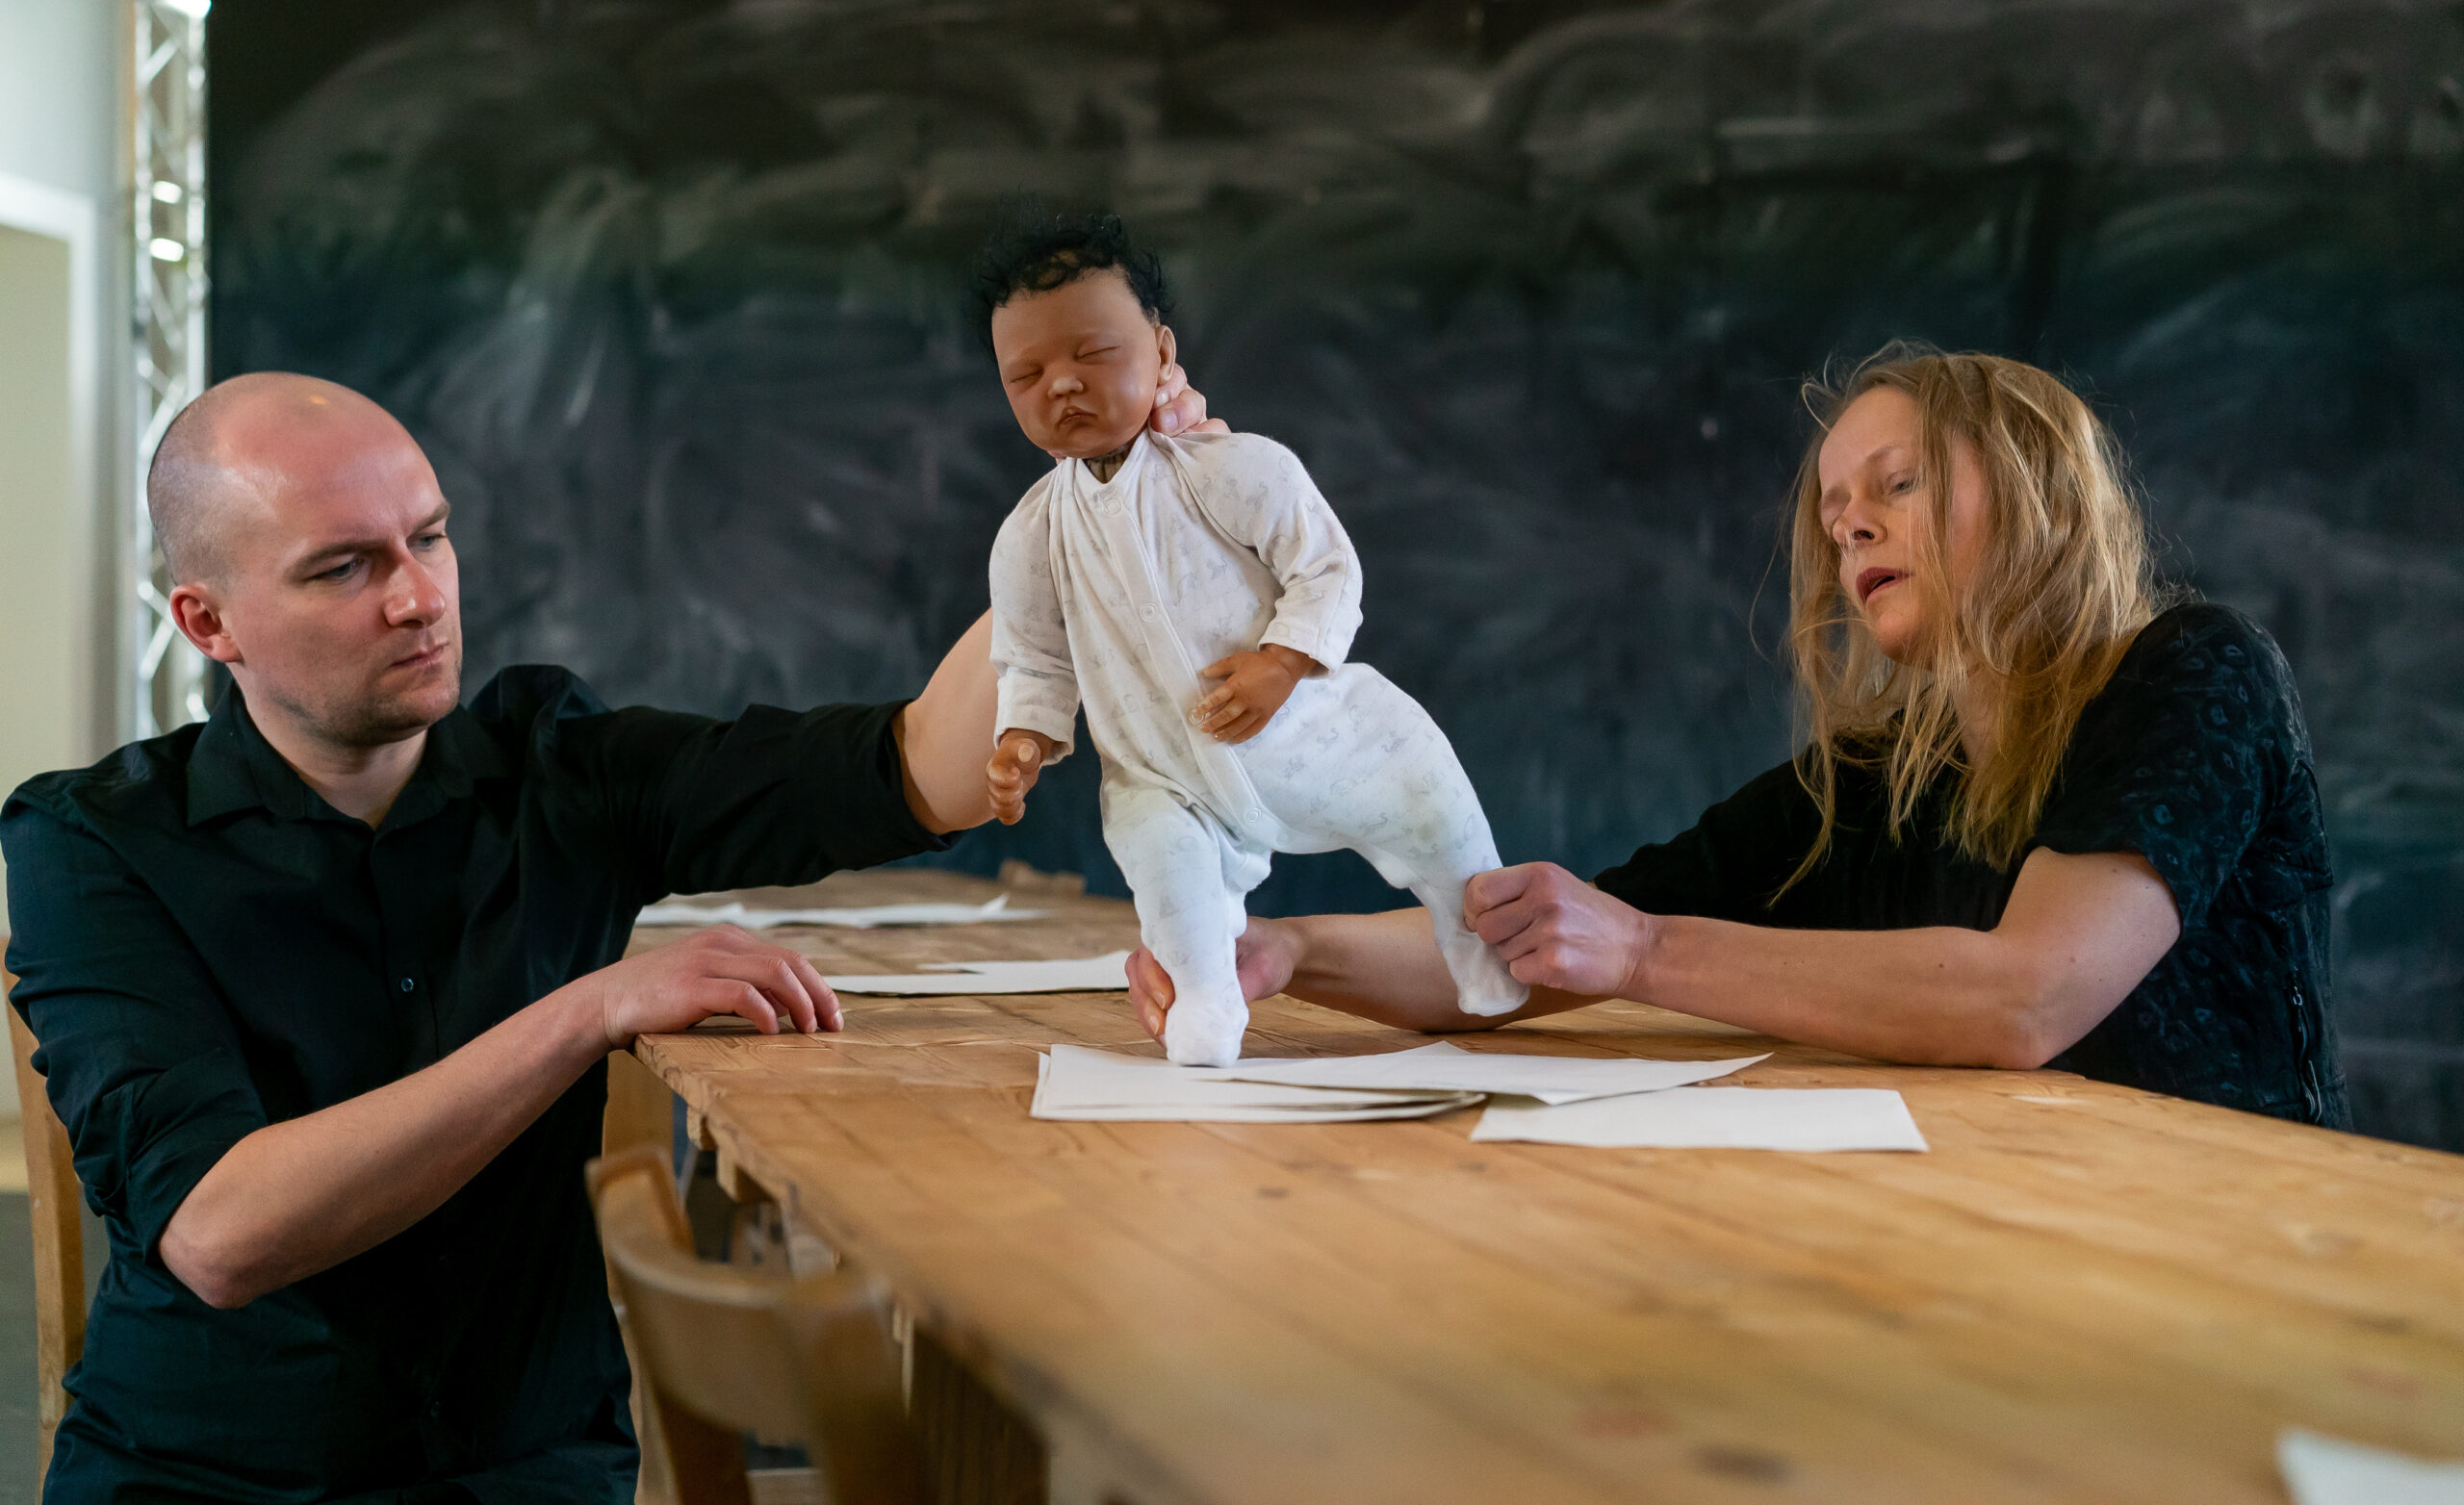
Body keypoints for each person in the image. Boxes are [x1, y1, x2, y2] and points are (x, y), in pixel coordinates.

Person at [0, 366, 1215, 1502]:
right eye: (342, 570)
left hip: (528, 1474)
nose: (420, 597)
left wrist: (1098, 508)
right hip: (210, 1481)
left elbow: (916, 766)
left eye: (429, 536)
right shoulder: (90, 843)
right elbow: (220, 1235)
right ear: (209, 624)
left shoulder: (557, 766)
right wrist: (590, 1009)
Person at [1124, 346, 2348, 1127]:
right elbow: (1547, 940)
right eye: (1834, 510)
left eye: (1897, 484)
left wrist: (1645, 953)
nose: (1852, 527)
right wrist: (1277, 948)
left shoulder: (2191, 671)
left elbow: (2027, 998)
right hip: (2029, 1247)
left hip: (2247, 1253)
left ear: (2034, 483)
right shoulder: (1879, 775)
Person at [974, 208, 1523, 1066]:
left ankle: (1478, 948)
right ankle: (1207, 995)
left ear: (1161, 351)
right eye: (1026, 373)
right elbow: (1035, 655)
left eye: (1093, 354)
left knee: (1429, 797)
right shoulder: (1031, 534)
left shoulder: (1233, 468)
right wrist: (1023, 736)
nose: (1063, 386)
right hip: (1169, 771)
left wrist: (1283, 660)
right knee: (1163, 869)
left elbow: (1326, 568)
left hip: (1310, 736)